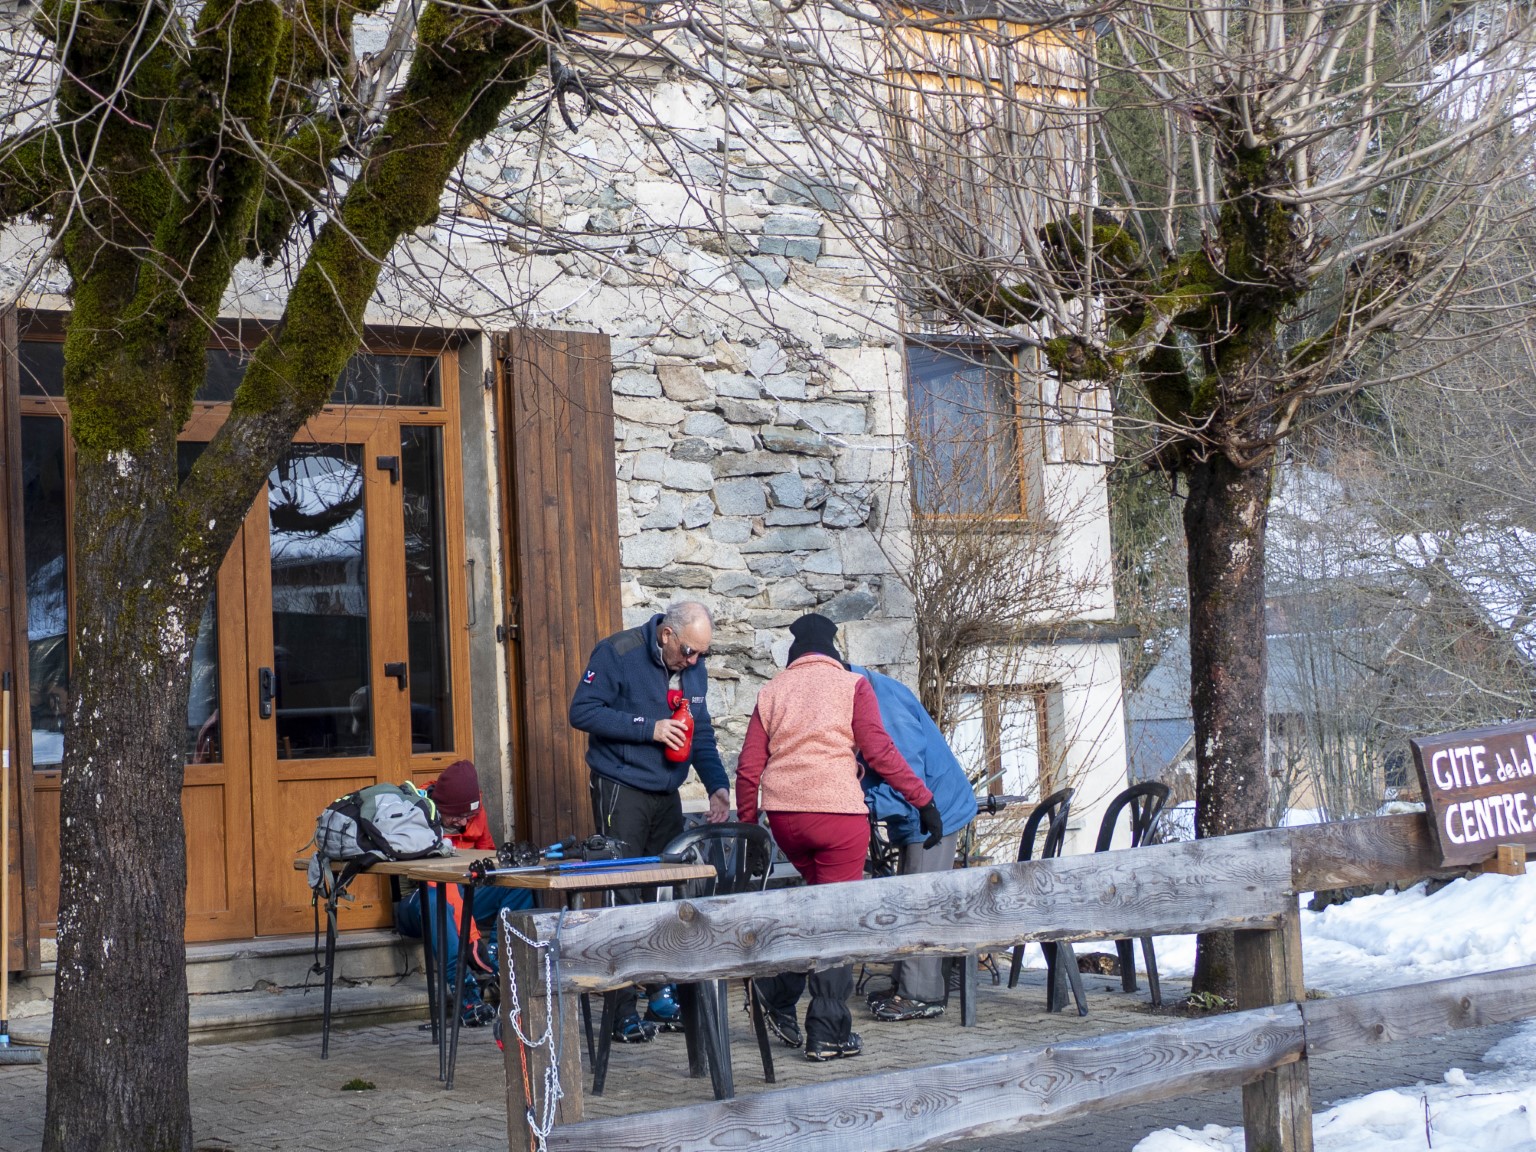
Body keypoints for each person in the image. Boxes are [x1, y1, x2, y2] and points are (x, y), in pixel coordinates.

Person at [736, 612, 942, 1061]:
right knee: (836, 921)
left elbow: (749, 769)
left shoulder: (772, 691)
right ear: (834, 649)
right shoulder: (852, 685)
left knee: (815, 911)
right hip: (838, 819)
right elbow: (880, 751)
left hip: (786, 819)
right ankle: (828, 1032)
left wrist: (752, 831)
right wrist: (923, 800)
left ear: (794, 652)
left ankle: (777, 991)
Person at [569, 599, 732, 1043]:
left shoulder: (693, 667)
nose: (693, 661)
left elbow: (701, 731)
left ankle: (663, 994)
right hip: (621, 787)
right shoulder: (617, 652)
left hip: (667, 793)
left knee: (668, 893)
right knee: (623, 894)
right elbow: (582, 711)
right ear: (666, 635)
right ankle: (620, 1010)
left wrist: (717, 785)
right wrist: (650, 728)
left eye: (701, 654)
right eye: (688, 651)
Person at [855, 664, 978, 1021]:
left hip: (934, 812)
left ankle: (921, 995)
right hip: (922, 810)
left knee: (920, 901)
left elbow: (908, 773)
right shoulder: (868, 691)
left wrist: (861, 801)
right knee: (909, 895)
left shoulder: (884, 703)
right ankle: (904, 984)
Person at [394, 759, 533, 1025]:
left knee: (519, 883)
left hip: (464, 895)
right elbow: (435, 883)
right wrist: (472, 939)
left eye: (467, 817)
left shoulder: (474, 813)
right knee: (438, 900)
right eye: (456, 817)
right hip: (419, 900)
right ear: (441, 807)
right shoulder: (417, 813)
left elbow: (490, 864)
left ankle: (499, 960)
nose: (462, 822)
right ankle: (465, 993)